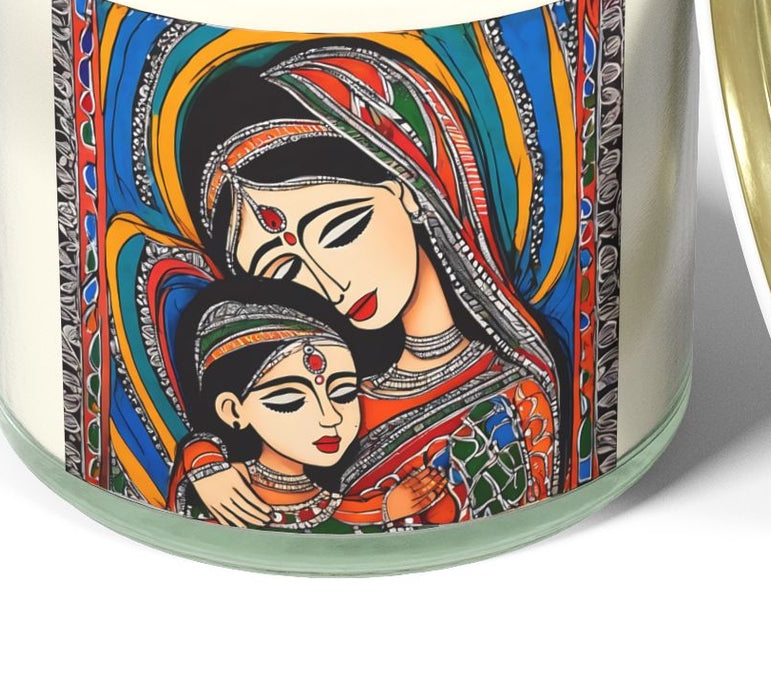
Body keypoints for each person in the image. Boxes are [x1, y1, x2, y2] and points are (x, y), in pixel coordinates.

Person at [172, 41, 559, 527]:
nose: (331, 283)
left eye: (341, 232)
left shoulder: (515, 394)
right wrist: (203, 458)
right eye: (285, 272)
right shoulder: (329, 399)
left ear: (406, 190)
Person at [167, 278, 443, 531]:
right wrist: (202, 459)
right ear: (233, 411)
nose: (330, 417)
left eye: (343, 394)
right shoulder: (218, 488)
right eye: (290, 401)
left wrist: (378, 510)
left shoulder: (350, 505)